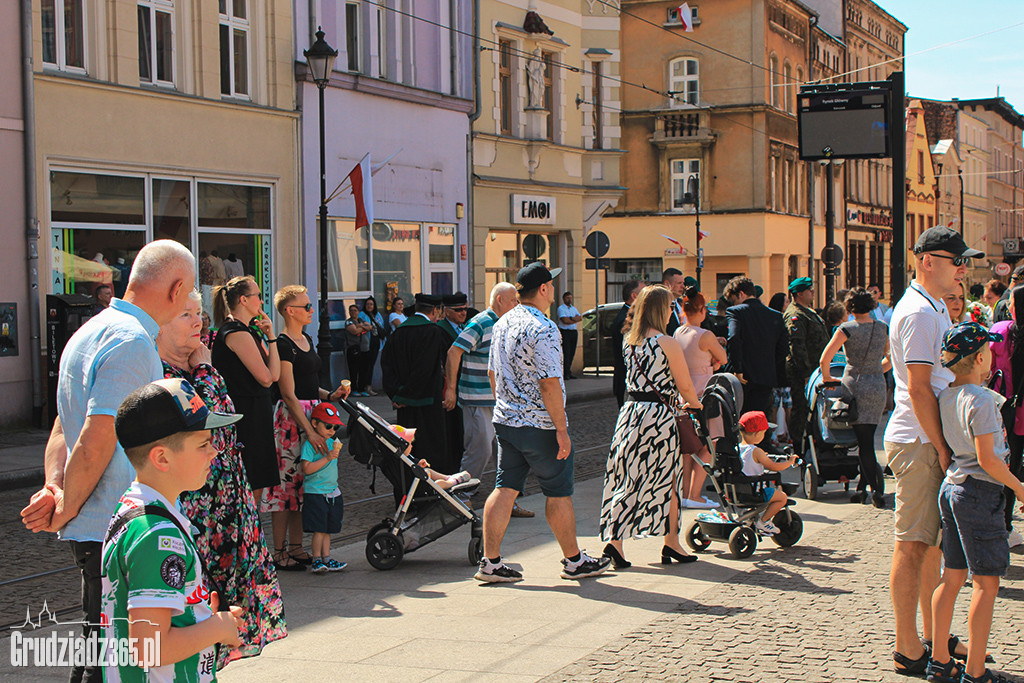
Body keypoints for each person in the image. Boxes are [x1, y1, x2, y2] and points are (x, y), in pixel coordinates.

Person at [20, 239, 195, 683]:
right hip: (117, 525)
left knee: (98, 649)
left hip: (99, 525)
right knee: (114, 660)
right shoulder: (133, 341)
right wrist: (66, 507)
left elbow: (64, 423)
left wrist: (55, 486)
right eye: (190, 291)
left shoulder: (91, 329)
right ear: (175, 289)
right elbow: (97, 438)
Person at [158, 292, 286, 666]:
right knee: (201, 600)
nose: (199, 322)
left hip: (229, 498)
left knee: (231, 603)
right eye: (187, 315)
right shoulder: (165, 373)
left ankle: (211, 661)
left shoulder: (197, 367)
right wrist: (205, 368)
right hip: (201, 504)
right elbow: (207, 418)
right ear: (160, 324)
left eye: (199, 313)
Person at [883, 225, 985, 675]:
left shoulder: (932, 307)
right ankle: (909, 648)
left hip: (926, 437)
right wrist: (944, 447)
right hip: (920, 438)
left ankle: (934, 637)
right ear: (927, 261)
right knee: (913, 545)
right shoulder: (922, 314)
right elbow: (921, 388)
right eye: (956, 260)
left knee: (930, 547)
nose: (964, 269)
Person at [475, 262, 611, 582]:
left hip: (506, 420)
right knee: (558, 491)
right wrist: (561, 431)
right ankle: (574, 561)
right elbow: (549, 382)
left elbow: (493, 373)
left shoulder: (503, 322)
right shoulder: (544, 327)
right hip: (540, 425)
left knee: (504, 488)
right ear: (546, 289)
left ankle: (490, 562)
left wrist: (505, 406)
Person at [102, 379, 245, 682]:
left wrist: (198, 613)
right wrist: (217, 628)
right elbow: (149, 648)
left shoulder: (135, 510)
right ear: (162, 457)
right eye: (203, 444)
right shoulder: (157, 535)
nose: (214, 452)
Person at [929, 322, 1024, 683]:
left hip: (952, 488)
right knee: (986, 584)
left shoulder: (947, 395)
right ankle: (976, 670)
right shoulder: (981, 400)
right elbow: (989, 460)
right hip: (979, 492)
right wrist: (1018, 487)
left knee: (950, 577)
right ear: (981, 356)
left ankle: (939, 661)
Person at [600, 285, 704, 569]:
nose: (673, 310)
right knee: (668, 478)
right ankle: (670, 543)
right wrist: (696, 405)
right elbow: (684, 386)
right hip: (659, 418)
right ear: (662, 309)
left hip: (631, 413)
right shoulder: (666, 342)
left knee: (628, 476)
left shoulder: (628, 341)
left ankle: (618, 542)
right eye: (670, 306)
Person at [264, 285, 349, 572]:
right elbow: (289, 393)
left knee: (305, 487)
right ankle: (278, 551)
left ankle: (297, 547)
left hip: (311, 412)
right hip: (292, 419)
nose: (312, 311)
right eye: (307, 306)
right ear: (290, 311)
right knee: (285, 488)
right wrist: (309, 431)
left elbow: (309, 385)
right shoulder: (283, 344)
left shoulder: (306, 339)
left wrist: (330, 396)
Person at [443, 283, 532, 513]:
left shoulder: (507, 324)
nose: (517, 305)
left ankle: (508, 501)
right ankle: (461, 496)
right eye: (514, 300)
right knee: (480, 449)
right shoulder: (481, 322)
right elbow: (454, 352)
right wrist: (451, 389)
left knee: (508, 452)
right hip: (477, 399)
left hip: (500, 401)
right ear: (500, 299)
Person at [819, 287, 892, 508]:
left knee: (864, 443)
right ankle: (862, 488)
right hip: (877, 384)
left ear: (850, 307)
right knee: (868, 435)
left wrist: (829, 379)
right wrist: (876, 370)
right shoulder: (882, 328)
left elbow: (825, 359)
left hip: (855, 384)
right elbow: (890, 358)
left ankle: (877, 490)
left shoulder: (846, 328)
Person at [211, 275, 281, 503]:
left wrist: (271, 336)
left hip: (255, 411)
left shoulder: (248, 331)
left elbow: (275, 374)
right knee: (250, 485)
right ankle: (248, 535)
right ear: (243, 300)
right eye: (258, 296)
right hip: (245, 415)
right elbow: (266, 378)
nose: (261, 301)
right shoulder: (236, 332)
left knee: (257, 483)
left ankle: (252, 535)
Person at [381, 293, 454, 479]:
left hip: (404, 407)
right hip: (428, 403)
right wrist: (408, 394)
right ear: (435, 310)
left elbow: (387, 366)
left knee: (407, 450)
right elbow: (425, 369)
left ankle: (407, 496)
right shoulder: (432, 332)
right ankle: (430, 496)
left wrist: (397, 395)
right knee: (431, 450)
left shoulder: (399, 332)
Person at [673, 286, 726, 508]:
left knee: (687, 448)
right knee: (709, 444)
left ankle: (685, 493)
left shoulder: (678, 333)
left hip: (682, 396)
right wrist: (713, 362)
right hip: (705, 396)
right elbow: (723, 357)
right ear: (702, 310)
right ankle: (695, 494)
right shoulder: (705, 335)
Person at [986, 284, 1024, 548]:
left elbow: (985, 368)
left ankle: (1004, 524)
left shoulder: (1001, 332)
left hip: (1007, 410)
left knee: (1007, 468)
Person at [723, 276, 787, 420]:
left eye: (734, 299)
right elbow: (783, 348)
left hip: (743, 375)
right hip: (766, 375)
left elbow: (734, 338)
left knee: (741, 419)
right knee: (761, 420)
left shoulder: (736, 312)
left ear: (741, 294)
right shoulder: (775, 315)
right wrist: (770, 365)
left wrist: (737, 369)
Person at [300, 402, 348, 575]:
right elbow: (306, 469)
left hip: (332, 491)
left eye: (335, 427)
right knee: (319, 529)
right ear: (314, 424)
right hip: (316, 492)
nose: (332, 430)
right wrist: (327, 458)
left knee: (328, 529)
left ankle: (326, 558)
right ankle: (316, 559)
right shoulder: (309, 445)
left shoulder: (332, 442)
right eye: (328, 426)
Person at [784, 277, 830, 454]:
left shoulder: (808, 312)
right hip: (804, 372)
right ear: (799, 294)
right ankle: (799, 447)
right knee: (801, 409)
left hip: (814, 370)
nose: (813, 292)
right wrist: (805, 374)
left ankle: (812, 442)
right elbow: (797, 346)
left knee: (812, 409)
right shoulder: (796, 315)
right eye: (809, 290)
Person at [737, 411, 799, 535]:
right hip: (755, 491)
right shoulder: (756, 451)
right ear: (756, 434)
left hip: (739, 490)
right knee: (782, 497)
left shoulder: (737, 448)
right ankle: (764, 522)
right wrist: (790, 462)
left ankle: (752, 519)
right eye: (764, 433)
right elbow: (774, 466)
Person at [437, 292, 469, 471]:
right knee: (453, 433)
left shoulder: (464, 327)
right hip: (451, 387)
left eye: (464, 309)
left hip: (466, 385)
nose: (463, 313)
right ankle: (452, 471)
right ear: (446, 311)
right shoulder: (441, 330)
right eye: (458, 310)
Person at [612, 280, 644, 407]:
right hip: (627, 380)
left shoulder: (631, 316)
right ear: (634, 296)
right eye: (644, 292)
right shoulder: (626, 320)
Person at [359, 296, 388, 394]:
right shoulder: (362, 314)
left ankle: (368, 386)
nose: (369, 306)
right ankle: (364, 387)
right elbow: (364, 326)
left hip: (376, 342)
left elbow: (381, 326)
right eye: (367, 304)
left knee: (371, 365)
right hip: (367, 343)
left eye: (371, 304)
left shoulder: (377, 314)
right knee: (365, 365)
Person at [345, 304, 372, 396]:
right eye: (351, 310)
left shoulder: (361, 320)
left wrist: (359, 326)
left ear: (358, 312)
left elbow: (370, 327)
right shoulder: (348, 322)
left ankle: (362, 389)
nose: (353, 312)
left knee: (364, 370)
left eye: (355, 310)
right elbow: (354, 331)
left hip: (364, 348)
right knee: (354, 370)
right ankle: (354, 389)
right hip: (353, 349)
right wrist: (363, 328)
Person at [557, 291, 582, 379]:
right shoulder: (561, 308)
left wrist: (571, 319)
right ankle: (565, 372)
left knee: (572, 352)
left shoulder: (573, 308)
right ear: (564, 299)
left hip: (573, 332)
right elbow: (565, 320)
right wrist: (573, 319)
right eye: (568, 298)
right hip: (565, 332)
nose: (569, 300)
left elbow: (579, 318)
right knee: (566, 352)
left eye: (571, 298)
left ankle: (569, 371)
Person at [662, 268, 686, 335]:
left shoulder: (681, 303)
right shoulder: (661, 305)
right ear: (667, 284)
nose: (683, 286)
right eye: (679, 283)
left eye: (683, 283)